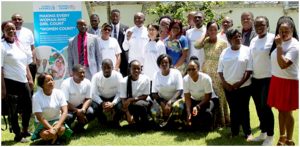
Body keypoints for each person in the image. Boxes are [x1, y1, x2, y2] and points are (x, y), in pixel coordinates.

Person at [267, 16, 299, 146]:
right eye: (281, 31)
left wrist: (279, 45)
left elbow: (283, 64)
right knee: (281, 110)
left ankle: (289, 140)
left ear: (292, 30)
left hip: (288, 82)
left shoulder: (295, 45)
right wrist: (279, 45)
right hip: (277, 79)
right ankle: (282, 137)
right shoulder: (280, 42)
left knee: (288, 111)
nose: (283, 34)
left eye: (286, 31)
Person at [217, 28, 253, 141]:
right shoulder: (225, 52)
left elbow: (249, 69)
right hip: (228, 88)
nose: (238, 38)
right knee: (233, 109)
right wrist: (225, 83)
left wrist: (239, 83)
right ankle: (234, 131)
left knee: (244, 109)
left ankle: (248, 133)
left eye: (239, 36)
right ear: (229, 39)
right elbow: (220, 70)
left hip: (244, 86)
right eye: (234, 37)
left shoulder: (247, 50)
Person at [1, 21, 33, 142]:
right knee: (13, 110)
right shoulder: (2, 46)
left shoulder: (19, 44)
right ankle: (17, 133)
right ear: (3, 31)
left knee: (28, 106)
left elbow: (25, 64)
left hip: (23, 80)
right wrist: (2, 88)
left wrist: (30, 79)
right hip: (10, 81)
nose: (11, 31)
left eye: (13, 28)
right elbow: (0, 68)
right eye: (8, 29)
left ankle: (25, 130)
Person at [194, 21, 230, 127]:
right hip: (206, 71)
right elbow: (196, 45)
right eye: (210, 29)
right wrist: (205, 35)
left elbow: (226, 59)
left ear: (218, 30)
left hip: (218, 73)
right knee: (208, 95)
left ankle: (222, 120)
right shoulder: (205, 41)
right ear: (207, 30)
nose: (213, 31)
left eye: (215, 29)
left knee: (220, 96)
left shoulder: (223, 43)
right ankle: (210, 120)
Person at [248, 16, 275, 145]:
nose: (259, 28)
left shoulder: (273, 39)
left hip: (268, 78)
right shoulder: (253, 41)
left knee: (266, 107)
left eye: (262, 25)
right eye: (256, 25)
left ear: (267, 25)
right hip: (255, 78)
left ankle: (270, 136)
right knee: (259, 107)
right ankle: (263, 132)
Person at [31, 73, 72, 144]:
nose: (51, 82)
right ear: (42, 85)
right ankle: (54, 138)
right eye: (47, 81)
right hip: (42, 123)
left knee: (61, 129)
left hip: (56, 120)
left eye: (52, 80)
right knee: (46, 134)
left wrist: (56, 128)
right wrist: (51, 129)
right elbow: (39, 117)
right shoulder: (36, 97)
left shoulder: (59, 93)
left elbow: (65, 112)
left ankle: (55, 138)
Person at [184, 59, 219, 130]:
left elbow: (208, 97)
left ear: (198, 69)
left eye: (193, 69)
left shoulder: (206, 79)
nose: (191, 71)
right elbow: (187, 97)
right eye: (189, 69)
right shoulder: (185, 79)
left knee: (206, 113)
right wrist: (188, 111)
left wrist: (197, 107)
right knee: (185, 111)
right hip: (195, 99)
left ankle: (211, 125)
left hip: (209, 100)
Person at [60, 64, 95, 133]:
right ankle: (68, 129)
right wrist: (77, 111)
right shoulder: (66, 84)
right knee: (68, 117)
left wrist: (83, 110)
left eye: (83, 72)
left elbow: (88, 99)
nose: (82, 74)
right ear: (73, 74)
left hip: (81, 106)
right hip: (69, 108)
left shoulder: (87, 82)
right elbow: (65, 103)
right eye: (80, 72)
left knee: (91, 112)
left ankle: (78, 127)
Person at [151, 54, 183, 127]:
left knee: (178, 107)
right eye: (162, 62)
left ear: (170, 63)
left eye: (166, 62)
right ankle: (162, 124)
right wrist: (161, 102)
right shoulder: (156, 75)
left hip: (175, 99)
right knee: (154, 110)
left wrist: (170, 102)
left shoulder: (176, 73)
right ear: (159, 64)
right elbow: (154, 93)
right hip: (161, 100)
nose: (164, 64)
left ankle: (175, 124)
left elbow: (180, 90)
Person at [91, 59, 123, 127]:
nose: (106, 70)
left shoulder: (118, 76)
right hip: (101, 98)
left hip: (114, 97)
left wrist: (113, 103)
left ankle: (115, 121)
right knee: (95, 107)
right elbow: (93, 93)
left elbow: (120, 93)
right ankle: (103, 121)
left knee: (121, 107)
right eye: (104, 68)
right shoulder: (96, 76)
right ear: (101, 68)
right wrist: (101, 103)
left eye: (109, 67)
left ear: (112, 67)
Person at [120, 60, 151, 130]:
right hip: (130, 105)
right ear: (129, 69)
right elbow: (123, 100)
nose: (136, 70)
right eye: (134, 68)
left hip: (143, 102)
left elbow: (145, 96)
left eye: (138, 68)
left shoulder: (146, 79)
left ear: (141, 69)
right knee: (120, 106)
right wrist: (128, 114)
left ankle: (144, 123)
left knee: (139, 104)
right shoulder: (124, 81)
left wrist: (132, 99)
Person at [11, 13, 37, 85]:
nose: (17, 21)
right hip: (16, 64)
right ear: (11, 21)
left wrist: (34, 61)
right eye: (15, 19)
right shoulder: (9, 33)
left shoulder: (28, 32)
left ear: (22, 21)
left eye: (19, 19)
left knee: (30, 84)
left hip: (29, 63)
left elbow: (32, 47)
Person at [110, 9, 129, 77]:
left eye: (117, 16)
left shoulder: (126, 28)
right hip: (111, 56)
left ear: (120, 17)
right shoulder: (107, 28)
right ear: (110, 17)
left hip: (123, 57)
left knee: (123, 76)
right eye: (113, 16)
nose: (115, 18)